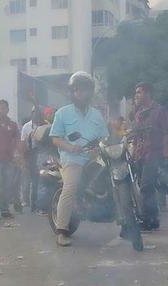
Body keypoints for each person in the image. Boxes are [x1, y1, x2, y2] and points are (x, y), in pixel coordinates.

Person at [50, 71, 109, 247]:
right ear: (72, 92)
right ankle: (61, 231)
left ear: (90, 92)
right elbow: (56, 138)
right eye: (77, 90)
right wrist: (70, 147)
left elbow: (104, 137)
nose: (81, 93)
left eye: (84, 89)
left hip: (94, 158)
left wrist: (99, 148)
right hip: (72, 158)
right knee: (70, 187)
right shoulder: (63, 113)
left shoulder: (97, 115)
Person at [130, 82, 168, 231]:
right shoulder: (138, 112)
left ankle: (147, 219)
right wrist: (133, 152)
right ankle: (153, 219)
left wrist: (166, 154)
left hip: (154, 153)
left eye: (139, 92)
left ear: (148, 93)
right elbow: (135, 134)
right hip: (140, 154)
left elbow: (166, 132)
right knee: (146, 187)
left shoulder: (159, 111)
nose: (136, 95)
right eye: (136, 92)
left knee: (146, 187)